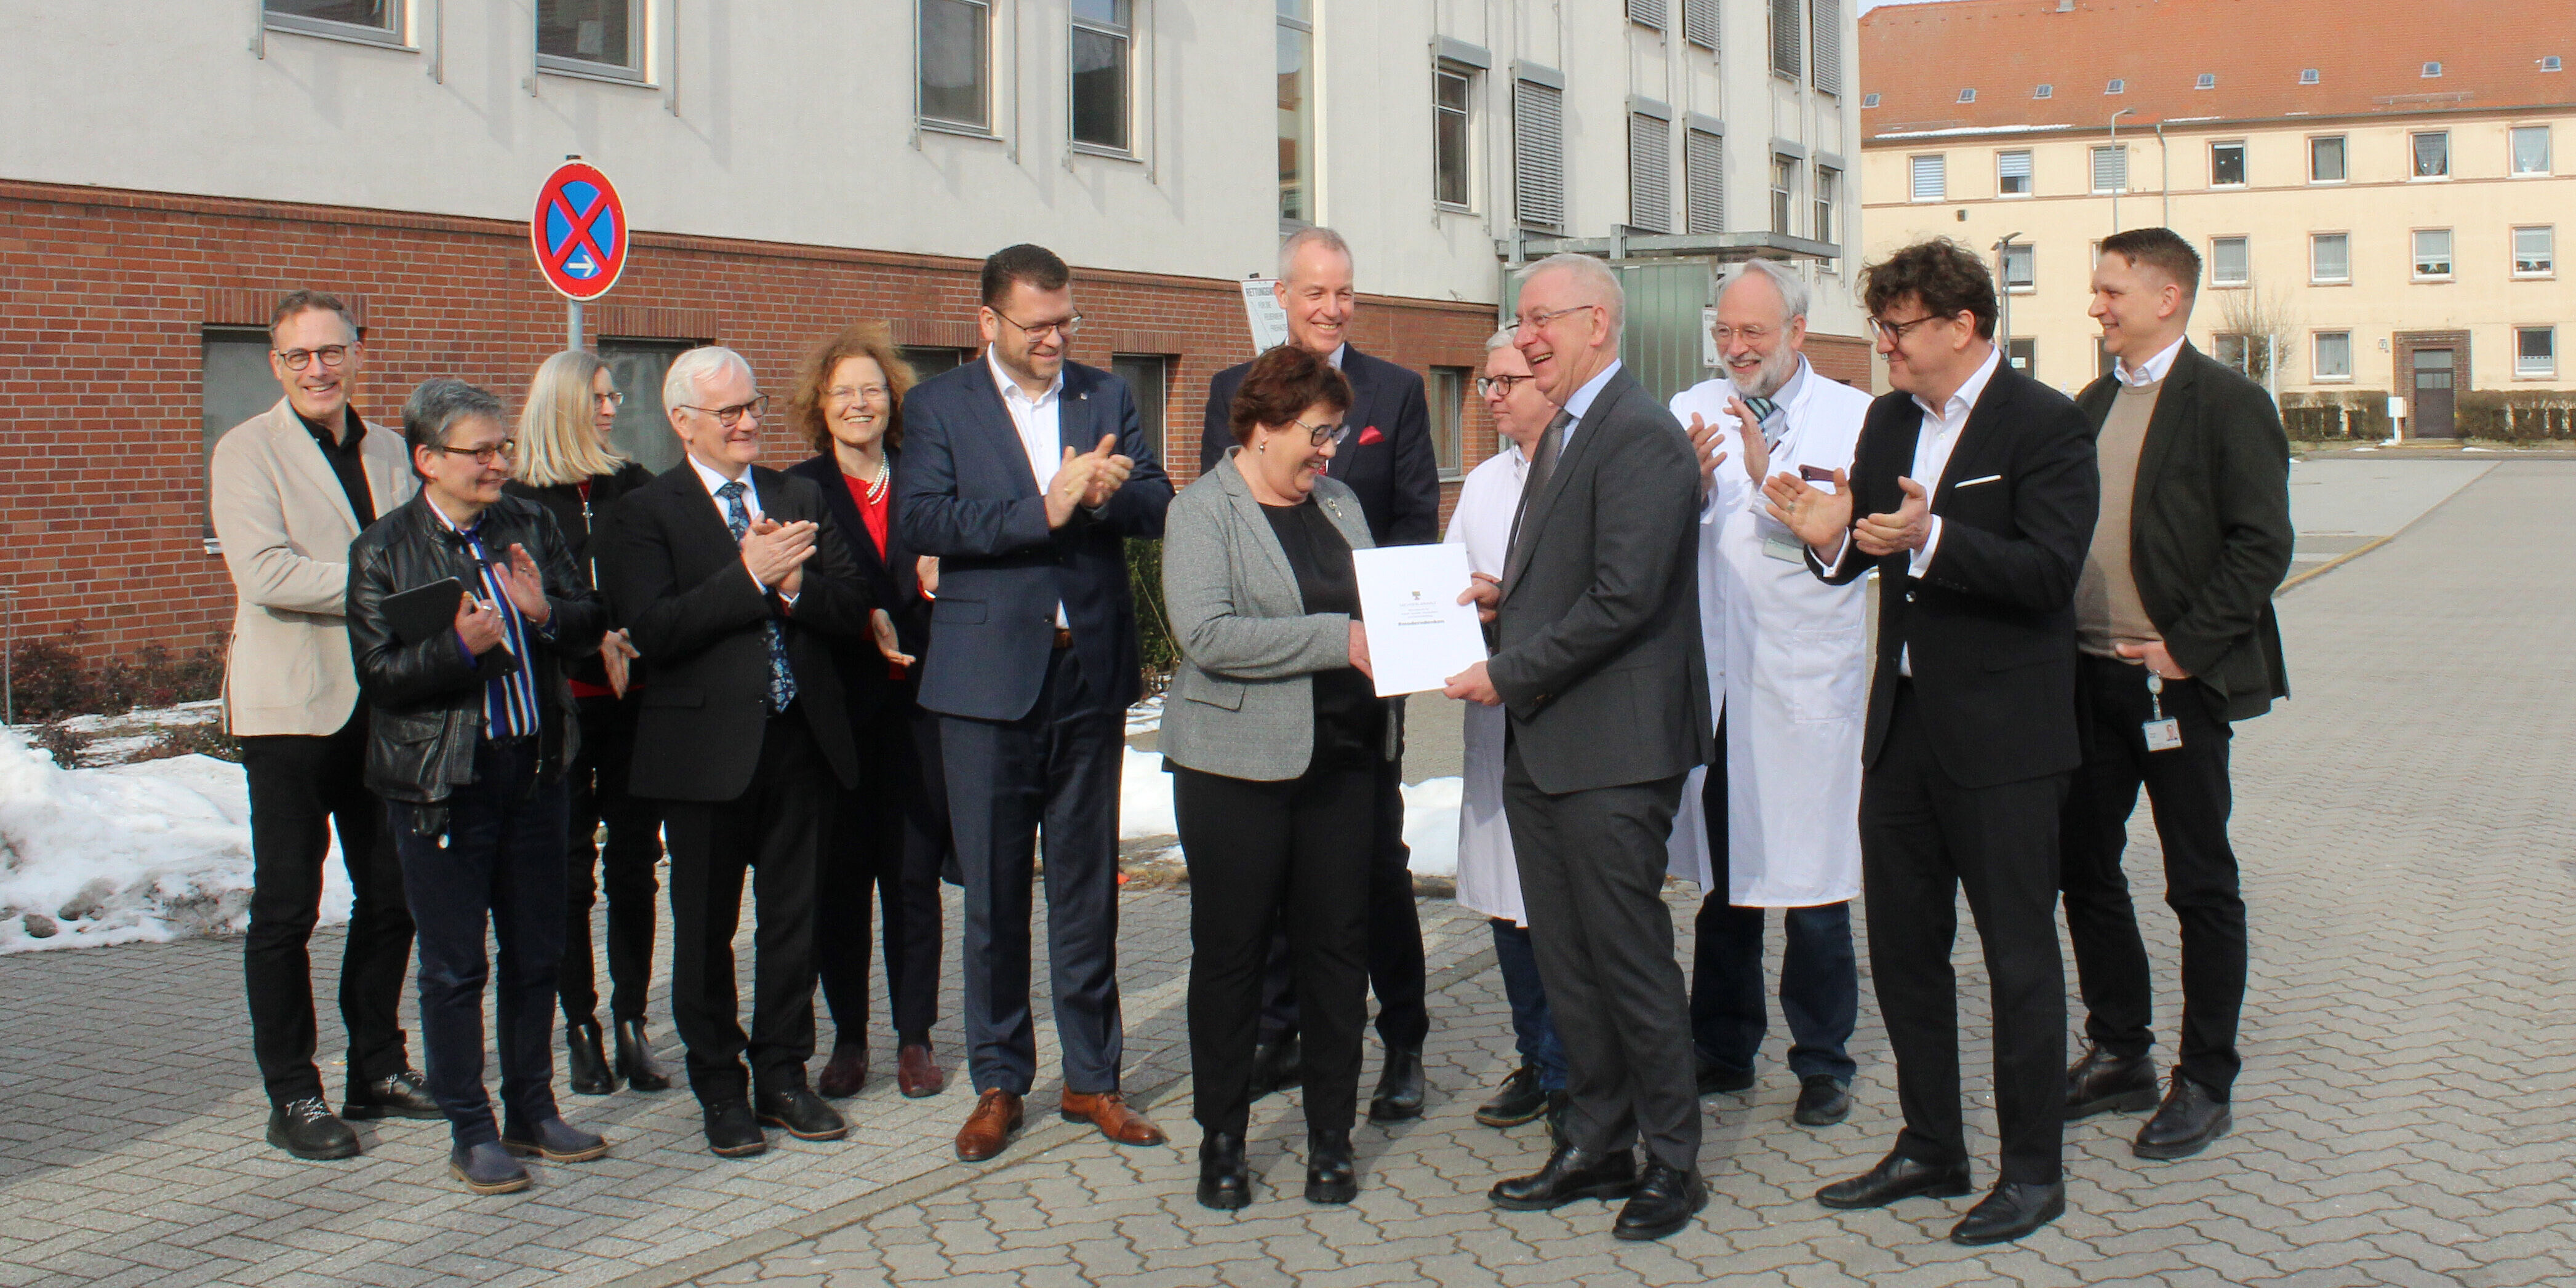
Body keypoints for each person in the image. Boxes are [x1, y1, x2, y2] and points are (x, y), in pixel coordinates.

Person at [1761, 238, 2098, 1246]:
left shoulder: (2044, 423)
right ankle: (1930, 1142)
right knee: (1906, 950)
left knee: (2019, 956)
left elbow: (2048, 571)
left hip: (2005, 738)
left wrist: (1932, 539)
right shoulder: (1889, 417)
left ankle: (2033, 1170)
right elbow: (1862, 548)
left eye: (1900, 327)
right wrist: (1827, 534)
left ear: (1962, 326)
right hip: (1902, 729)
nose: (1886, 345)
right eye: (1881, 326)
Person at [1446, 254, 1714, 1243]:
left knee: (1628, 960)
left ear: (1597, 322)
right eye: (1519, 324)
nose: (1523, 340)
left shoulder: (1638, 435)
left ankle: (1672, 1163)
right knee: (1567, 962)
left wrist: (1508, 670)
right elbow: (1575, 576)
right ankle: (1597, 1143)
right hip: (1551, 747)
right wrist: (1502, 601)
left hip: (1614, 750)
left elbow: (1624, 597)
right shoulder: (1567, 430)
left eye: (1538, 321)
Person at [897, 243, 1174, 1163]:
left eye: (1067, 322)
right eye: (1038, 326)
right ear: (988, 324)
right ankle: (998, 1080)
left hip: (1085, 673)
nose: (1056, 339)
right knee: (994, 894)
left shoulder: (1105, 395)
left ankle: (1093, 1078)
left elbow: (1158, 499)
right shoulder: (938, 406)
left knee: (1088, 887)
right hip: (983, 684)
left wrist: (1105, 492)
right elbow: (925, 520)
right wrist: (1043, 509)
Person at [601, 346, 873, 1158]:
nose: (749, 421)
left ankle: (783, 1073)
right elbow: (653, 629)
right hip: (703, 754)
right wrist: (750, 575)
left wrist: (793, 588)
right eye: (729, 413)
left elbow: (853, 601)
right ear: (683, 421)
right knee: (707, 929)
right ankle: (719, 1085)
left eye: (752, 406)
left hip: (799, 742)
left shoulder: (799, 494)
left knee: (793, 924)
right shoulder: (644, 512)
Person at [2060, 228, 2293, 1160]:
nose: (2095, 305)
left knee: (2199, 882)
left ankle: (2204, 1078)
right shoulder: (2085, 406)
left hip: (2176, 688)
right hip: (2086, 680)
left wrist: (2185, 650)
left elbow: (2260, 544)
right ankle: (2118, 1050)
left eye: (2110, 289)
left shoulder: (2227, 405)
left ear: (2166, 297)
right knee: (2080, 863)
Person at [1197, 226, 1440, 1117]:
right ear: (1282, 294)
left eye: (1344, 292)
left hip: (1362, 675)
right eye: (1314, 293)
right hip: (1263, 682)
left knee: (1374, 866)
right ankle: (1281, 1031)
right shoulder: (1235, 391)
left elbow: (1413, 523)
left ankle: (1403, 1038)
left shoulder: (1396, 392)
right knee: (1269, 872)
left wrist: (1389, 634)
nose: (1330, 308)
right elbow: (1219, 529)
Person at [346, 377, 612, 1194]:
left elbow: (589, 621)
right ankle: (472, 1128)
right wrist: (457, 650)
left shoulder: (527, 523)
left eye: (503, 448)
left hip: (534, 771)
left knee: (537, 951)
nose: (498, 463)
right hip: (444, 787)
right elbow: (380, 676)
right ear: (427, 459)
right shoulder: (382, 550)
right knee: (455, 967)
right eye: (480, 451)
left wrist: (542, 615)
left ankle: (533, 1108)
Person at [209, 289, 436, 1159]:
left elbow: (426, 553)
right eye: (300, 356)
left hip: (385, 705)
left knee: (392, 896)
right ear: (276, 365)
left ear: (356, 352)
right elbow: (266, 573)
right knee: (286, 907)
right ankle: (293, 1093)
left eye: (332, 351)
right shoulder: (245, 450)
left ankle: (375, 1065)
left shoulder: (388, 451)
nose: (318, 368)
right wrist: (380, 588)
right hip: (291, 710)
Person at [1162, 344, 1388, 1210]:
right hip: (1234, 771)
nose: (1327, 452)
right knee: (1231, 957)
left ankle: (1330, 1140)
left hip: (1341, 765)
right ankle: (1221, 1140)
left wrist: (1437, 610)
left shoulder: (1338, 502)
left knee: (1337, 956)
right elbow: (1208, 636)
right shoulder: (1201, 510)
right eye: (1316, 434)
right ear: (1262, 424)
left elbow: (1374, 605)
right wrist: (1338, 640)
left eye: (1333, 435)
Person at [1664, 261, 1871, 1128]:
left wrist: (1762, 487)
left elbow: (1850, 548)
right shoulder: (1688, 413)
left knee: (1813, 890)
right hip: (1716, 684)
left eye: (1752, 332)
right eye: (1724, 332)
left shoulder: (1855, 420)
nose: (1736, 348)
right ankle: (1721, 1047)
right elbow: (1663, 533)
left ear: (1797, 331)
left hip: (1803, 682)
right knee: (1725, 885)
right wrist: (1697, 486)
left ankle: (1822, 1060)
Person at [784, 324, 956, 1101]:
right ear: (820, 406)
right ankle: (850, 1038)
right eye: (843, 391)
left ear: (894, 400)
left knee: (913, 876)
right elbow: (800, 597)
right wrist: (862, 619)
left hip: (920, 706)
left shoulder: (924, 476)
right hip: (837, 711)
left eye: (872, 389)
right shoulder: (798, 487)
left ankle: (915, 1034)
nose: (859, 403)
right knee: (841, 882)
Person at [503, 350, 671, 1098]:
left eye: (612, 397)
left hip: (634, 706)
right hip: (559, 711)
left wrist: (628, 636)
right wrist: (589, 636)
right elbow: (523, 609)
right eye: (599, 398)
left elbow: (654, 579)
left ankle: (634, 1018)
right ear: (562, 405)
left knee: (635, 864)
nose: (611, 409)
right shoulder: (515, 502)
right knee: (568, 872)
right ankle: (580, 1024)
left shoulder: (631, 485)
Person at [1446, 330, 1566, 1135]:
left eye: (1504, 381)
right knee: (1505, 902)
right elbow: (1450, 584)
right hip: (1494, 718)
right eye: (1484, 381)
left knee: (1559, 908)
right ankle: (1536, 1056)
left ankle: (1574, 1068)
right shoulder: (1486, 481)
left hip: (1563, 721)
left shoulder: (1579, 468)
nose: (1489, 395)